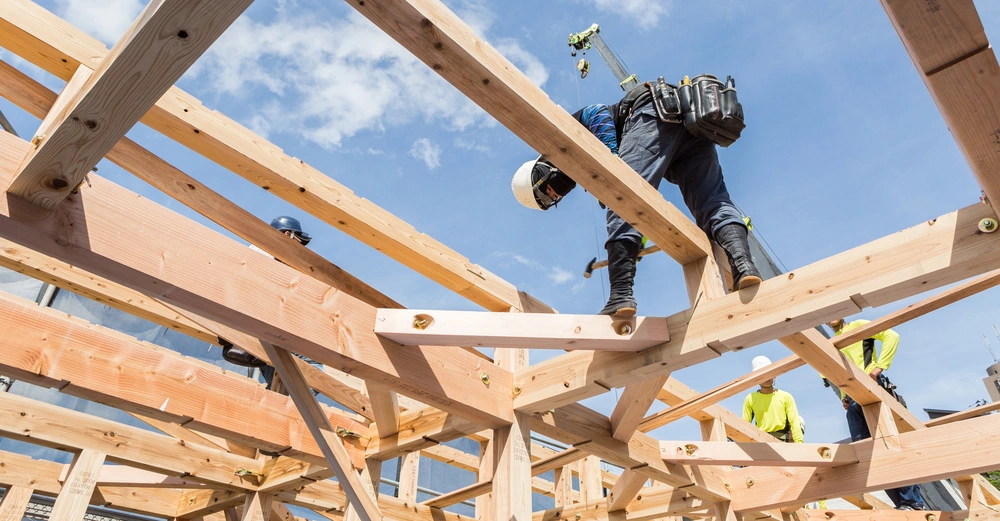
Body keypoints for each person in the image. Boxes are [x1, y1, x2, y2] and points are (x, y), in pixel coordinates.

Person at [511, 79, 761, 316]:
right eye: (553, 199)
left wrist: (611, 165)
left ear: (540, 172)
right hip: (687, 127)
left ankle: (620, 295)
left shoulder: (561, 138)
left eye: (548, 191)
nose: (556, 194)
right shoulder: (578, 166)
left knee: (622, 197)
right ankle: (744, 267)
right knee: (713, 202)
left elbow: (595, 113)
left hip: (652, 112)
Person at [827, 317, 927, 511]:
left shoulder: (858, 326)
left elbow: (892, 335)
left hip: (871, 390)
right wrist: (842, 395)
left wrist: (879, 367)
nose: (830, 318)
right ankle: (902, 504)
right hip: (853, 400)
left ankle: (912, 501)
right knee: (870, 456)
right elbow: (836, 371)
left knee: (891, 445)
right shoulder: (831, 343)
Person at [222, 216, 314, 387]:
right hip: (261, 331)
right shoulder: (272, 254)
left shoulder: (251, 253)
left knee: (279, 379)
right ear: (287, 235)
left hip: (245, 331)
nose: (298, 249)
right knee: (312, 365)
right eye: (298, 242)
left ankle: (279, 400)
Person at [741, 355, 804, 443]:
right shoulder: (750, 399)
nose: (767, 377)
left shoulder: (785, 397)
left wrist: (799, 445)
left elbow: (795, 422)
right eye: (762, 374)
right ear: (755, 378)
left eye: (769, 373)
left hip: (782, 443)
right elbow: (745, 426)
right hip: (761, 443)